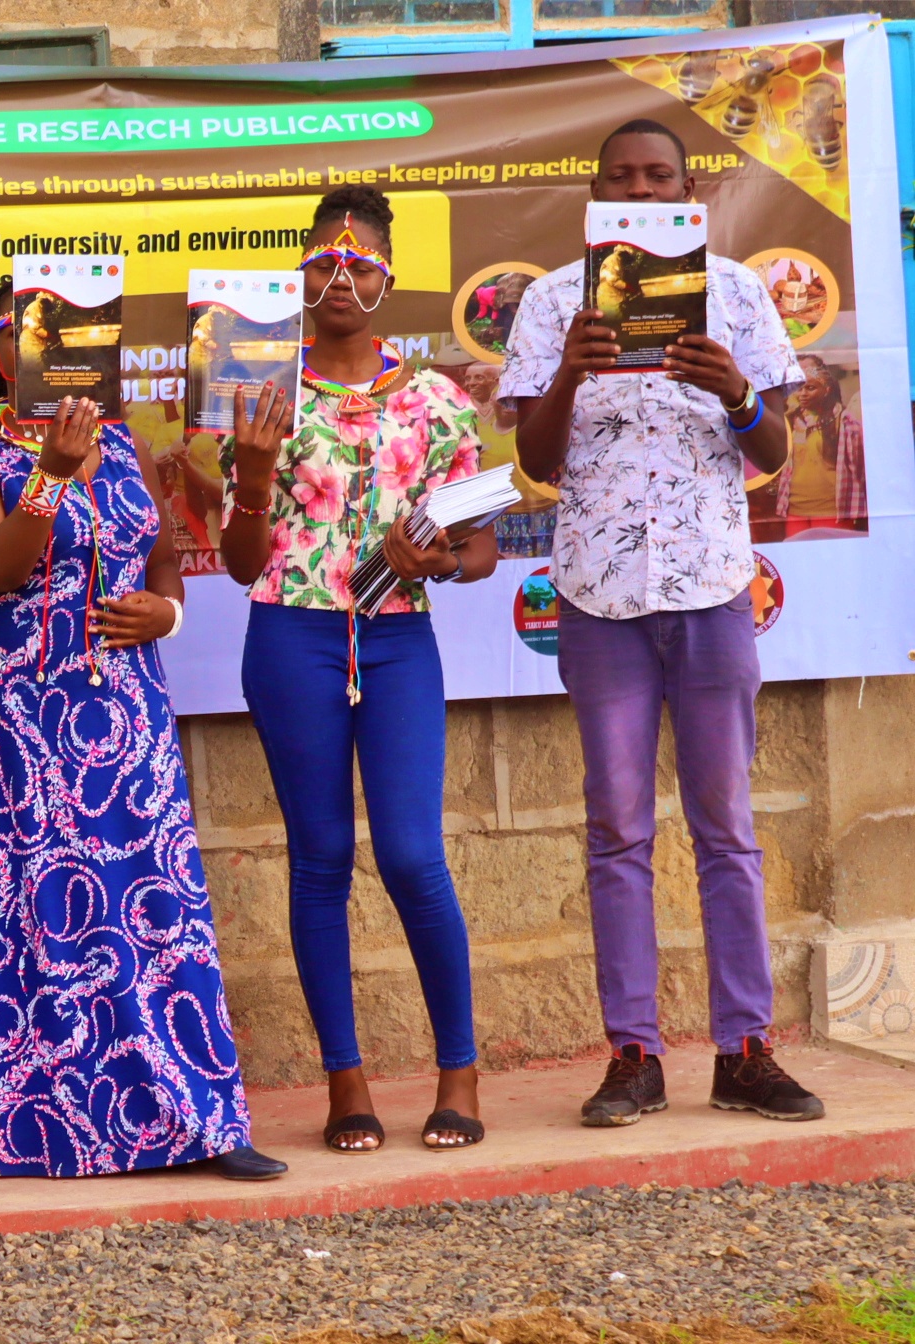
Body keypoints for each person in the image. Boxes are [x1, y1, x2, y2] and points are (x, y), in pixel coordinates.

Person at [500, 118, 820, 1126]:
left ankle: (745, 1050)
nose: (639, 192)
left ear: (690, 192)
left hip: (714, 588)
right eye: (621, 179)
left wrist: (736, 391)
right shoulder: (555, 301)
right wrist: (570, 371)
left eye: (658, 178)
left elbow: (773, 452)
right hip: (599, 597)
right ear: (596, 196)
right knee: (617, 827)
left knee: (726, 824)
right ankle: (633, 1054)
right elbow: (537, 462)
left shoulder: (736, 293)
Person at [0, 281, 285, 1183]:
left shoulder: (127, 444)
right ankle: (48, 1134)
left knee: (159, 905)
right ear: (0, 352)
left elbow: (163, 564)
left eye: (79, 338)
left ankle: (200, 1120)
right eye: (31, 335)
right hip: (25, 715)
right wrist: (51, 473)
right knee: (42, 915)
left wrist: (167, 614)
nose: (57, 353)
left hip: (129, 711)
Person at [220, 185, 498, 1155]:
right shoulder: (260, 392)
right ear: (300, 276)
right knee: (322, 858)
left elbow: (481, 550)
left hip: (395, 637)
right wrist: (254, 476)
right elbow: (242, 564)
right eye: (323, 261)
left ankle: (458, 1071)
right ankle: (346, 1083)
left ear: (387, 280)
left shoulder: (436, 401)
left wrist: (438, 558)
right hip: (290, 638)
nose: (340, 276)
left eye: (360, 263)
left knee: (414, 855)